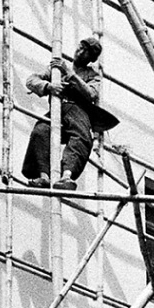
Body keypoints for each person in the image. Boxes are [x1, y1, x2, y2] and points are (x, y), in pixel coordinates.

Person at [22, 33, 119, 193]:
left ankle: (66, 175)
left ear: (90, 59)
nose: (80, 52)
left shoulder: (92, 75)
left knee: (81, 137)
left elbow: (91, 94)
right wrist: (48, 86)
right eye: (80, 48)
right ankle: (44, 175)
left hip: (78, 110)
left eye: (86, 52)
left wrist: (70, 74)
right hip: (58, 108)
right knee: (41, 130)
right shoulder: (56, 69)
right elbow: (31, 80)